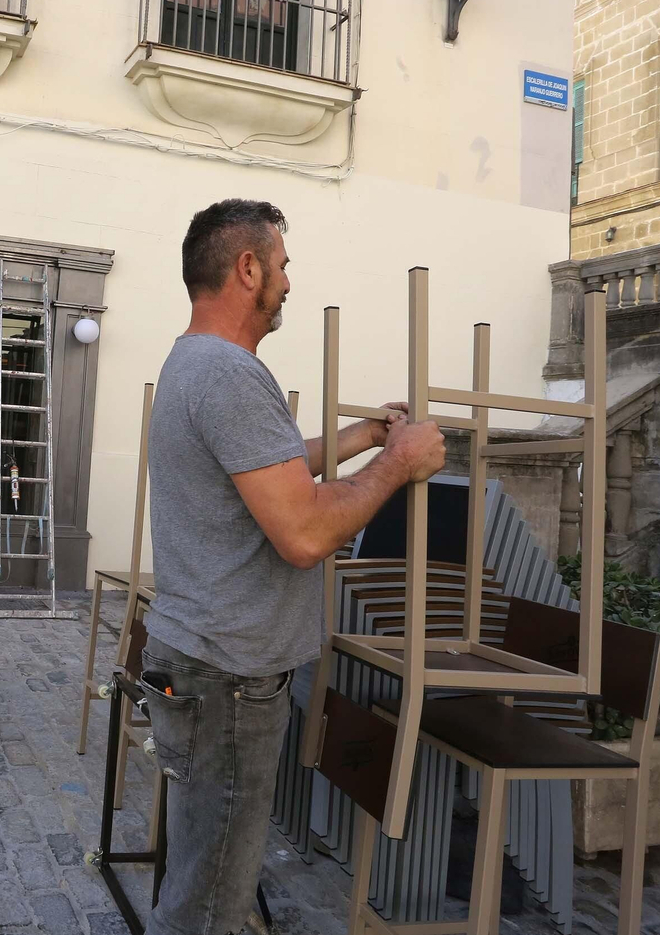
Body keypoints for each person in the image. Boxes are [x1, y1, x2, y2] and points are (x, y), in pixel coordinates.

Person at [142, 198, 446, 935]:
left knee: (200, 879)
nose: (287, 282)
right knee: (211, 903)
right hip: (229, 680)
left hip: (203, 664)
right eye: (282, 265)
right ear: (247, 268)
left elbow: (262, 471)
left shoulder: (195, 362)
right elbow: (304, 534)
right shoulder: (232, 375)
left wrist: (359, 439)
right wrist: (398, 465)